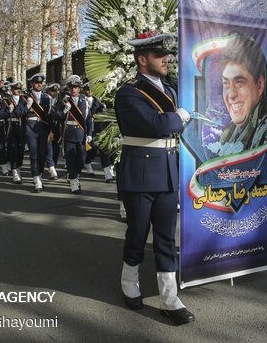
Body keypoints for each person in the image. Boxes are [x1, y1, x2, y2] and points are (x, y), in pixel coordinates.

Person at [114, 31, 194, 325]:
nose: (166, 60)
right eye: (160, 56)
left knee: (165, 236)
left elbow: (172, 129)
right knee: (136, 233)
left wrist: (178, 120)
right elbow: (155, 124)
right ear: (142, 59)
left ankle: (169, 298)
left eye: (167, 55)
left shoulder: (170, 91)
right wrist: (181, 117)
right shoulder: (128, 92)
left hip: (168, 169)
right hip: (141, 171)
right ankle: (129, 283)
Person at [218, 34, 267, 150]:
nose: (231, 95)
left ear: (260, 85)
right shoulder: (231, 130)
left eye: (239, 83)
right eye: (226, 84)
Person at [15, 73, 54, 193]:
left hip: (43, 128)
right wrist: (27, 106)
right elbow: (18, 113)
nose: (39, 84)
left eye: (41, 83)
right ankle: (36, 178)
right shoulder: (25, 97)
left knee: (42, 154)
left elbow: (49, 116)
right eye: (37, 83)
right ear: (31, 84)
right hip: (31, 128)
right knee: (34, 154)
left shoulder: (47, 97)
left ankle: (39, 175)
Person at [55, 75, 93, 194]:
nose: (73, 90)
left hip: (81, 134)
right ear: (68, 88)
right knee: (71, 159)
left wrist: (90, 133)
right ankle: (73, 181)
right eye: (71, 87)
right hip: (69, 134)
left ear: (79, 88)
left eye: (75, 87)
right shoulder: (64, 101)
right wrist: (64, 110)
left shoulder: (84, 101)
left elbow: (89, 119)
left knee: (81, 159)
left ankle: (74, 175)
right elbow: (57, 116)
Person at [83, 84, 115, 182]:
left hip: (110, 127)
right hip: (94, 128)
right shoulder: (86, 101)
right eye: (87, 89)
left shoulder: (106, 100)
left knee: (113, 150)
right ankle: (103, 171)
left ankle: (110, 169)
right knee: (97, 150)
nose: (90, 91)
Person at [4, 81, 25, 184]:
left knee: (21, 152)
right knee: (14, 151)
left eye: (19, 89)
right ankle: (15, 172)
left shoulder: (24, 99)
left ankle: (18, 169)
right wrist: (8, 112)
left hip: (22, 128)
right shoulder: (7, 101)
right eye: (16, 89)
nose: (18, 91)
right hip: (11, 128)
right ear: (11, 90)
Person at [44, 82, 61, 180]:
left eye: (55, 91)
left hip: (56, 127)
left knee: (56, 148)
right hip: (48, 127)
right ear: (48, 91)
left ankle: (53, 165)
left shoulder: (59, 102)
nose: (54, 93)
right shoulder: (45, 100)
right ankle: (51, 169)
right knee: (49, 149)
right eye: (52, 91)